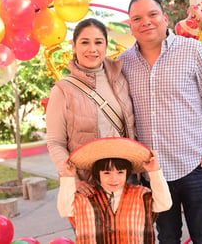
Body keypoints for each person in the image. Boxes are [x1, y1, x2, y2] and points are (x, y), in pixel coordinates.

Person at [119, 0, 202, 243]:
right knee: (167, 238)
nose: (145, 22)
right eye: (137, 18)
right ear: (130, 25)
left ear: (165, 18)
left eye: (152, 14)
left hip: (194, 166)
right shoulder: (123, 63)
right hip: (151, 172)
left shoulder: (193, 50)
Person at [46, 18, 135, 197]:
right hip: (87, 186)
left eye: (98, 42)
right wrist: (73, 181)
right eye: (85, 42)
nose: (92, 49)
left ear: (106, 46)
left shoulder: (121, 78)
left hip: (125, 180)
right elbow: (55, 143)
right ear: (74, 47)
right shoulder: (63, 90)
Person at [57, 137, 172, 243]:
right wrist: (68, 177)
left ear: (127, 173)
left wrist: (154, 172)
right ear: (98, 174)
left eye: (120, 172)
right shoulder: (84, 198)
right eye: (107, 173)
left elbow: (164, 204)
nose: (114, 179)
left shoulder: (141, 195)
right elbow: (64, 209)